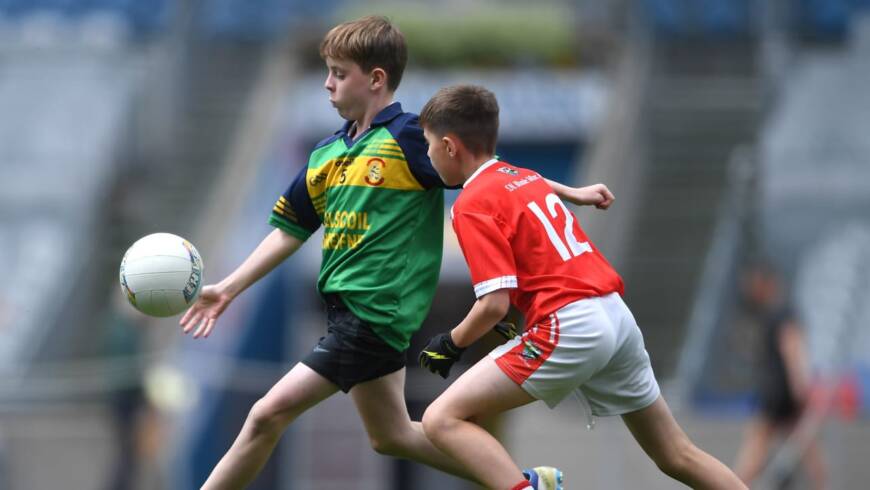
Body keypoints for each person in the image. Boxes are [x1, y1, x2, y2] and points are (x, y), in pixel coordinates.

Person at [179, 16, 608, 489]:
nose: (328, 83)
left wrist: (568, 191)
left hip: (374, 318)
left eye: (340, 73)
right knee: (393, 435)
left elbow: (489, 175)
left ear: (376, 79)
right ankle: (527, 482)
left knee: (265, 415)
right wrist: (228, 289)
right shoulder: (325, 154)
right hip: (345, 316)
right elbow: (290, 231)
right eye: (327, 71)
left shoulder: (410, 139)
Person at [415, 84, 748, 490]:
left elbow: (493, 305)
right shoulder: (520, 176)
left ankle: (534, 486)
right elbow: (533, 187)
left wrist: (451, 342)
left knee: (440, 419)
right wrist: (573, 192)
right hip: (615, 315)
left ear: (449, 146)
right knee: (676, 454)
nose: (428, 156)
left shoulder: (469, 205)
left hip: (570, 325)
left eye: (429, 145)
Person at [733, 263, 827, 489]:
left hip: (780, 393)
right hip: (781, 392)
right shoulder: (774, 313)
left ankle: (734, 485)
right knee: (805, 444)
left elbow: (792, 348)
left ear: (767, 284)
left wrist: (800, 387)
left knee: (757, 448)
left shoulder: (782, 312)